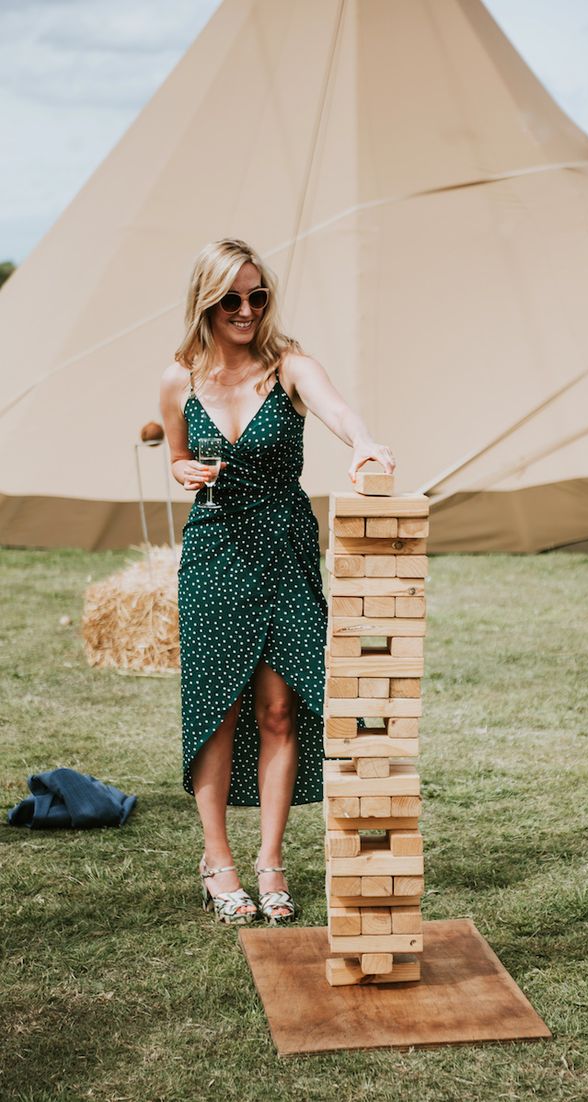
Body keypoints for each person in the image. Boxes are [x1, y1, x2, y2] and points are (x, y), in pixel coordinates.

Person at [160, 238, 395, 923]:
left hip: (286, 552)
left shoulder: (288, 365)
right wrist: (183, 470)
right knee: (216, 713)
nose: (246, 309)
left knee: (280, 711)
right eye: (232, 298)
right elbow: (177, 452)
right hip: (214, 553)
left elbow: (339, 410)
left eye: (258, 296)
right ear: (206, 301)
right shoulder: (178, 378)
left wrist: (365, 442)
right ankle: (218, 863)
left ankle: (270, 862)